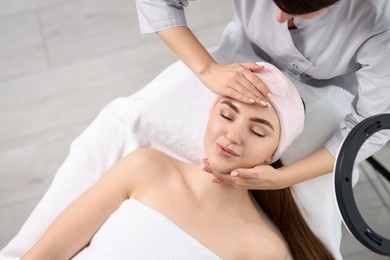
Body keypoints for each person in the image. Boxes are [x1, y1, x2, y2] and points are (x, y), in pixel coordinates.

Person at [21, 63, 333, 260]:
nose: (233, 135)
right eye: (226, 114)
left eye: (257, 131)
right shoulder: (146, 167)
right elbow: (45, 255)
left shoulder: (262, 249)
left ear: (273, 154)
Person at [135, 0, 390, 188]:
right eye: (226, 114)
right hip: (238, 54)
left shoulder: (380, 21)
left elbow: (373, 126)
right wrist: (207, 68)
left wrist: (283, 178)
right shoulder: (142, 158)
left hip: (330, 91)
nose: (278, 17)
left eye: (259, 131)